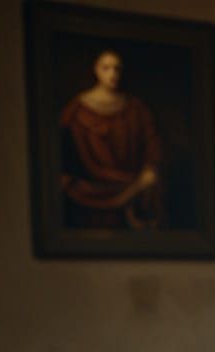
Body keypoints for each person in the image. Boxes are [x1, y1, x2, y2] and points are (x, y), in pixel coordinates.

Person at [58, 49, 162, 229]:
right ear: (96, 70)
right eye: (106, 68)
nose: (112, 74)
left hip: (132, 186)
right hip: (89, 190)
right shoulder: (76, 110)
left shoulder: (137, 109)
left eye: (117, 69)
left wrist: (150, 170)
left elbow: (153, 146)